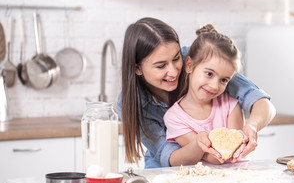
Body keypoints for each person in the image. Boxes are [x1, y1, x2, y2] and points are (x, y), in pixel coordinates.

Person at [117, 17, 276, 168]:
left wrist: (252, 127)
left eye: (176, 58)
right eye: (161, 66)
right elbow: (169, 155)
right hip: (165, 170)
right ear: (137, 68)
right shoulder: (132, 104)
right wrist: (200, 145)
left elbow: (259, 100)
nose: (173, 72)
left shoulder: (200, 60)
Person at [163, 24, 246, 164]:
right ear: (189, 65)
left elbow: (233, 153)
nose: (214, 85)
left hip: (238, 176)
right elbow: (213, 158)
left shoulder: (231, 105)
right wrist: (199, 142)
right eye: (209, 73)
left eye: (224, 80)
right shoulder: (174, 117)